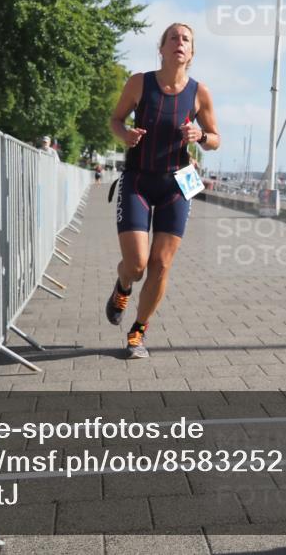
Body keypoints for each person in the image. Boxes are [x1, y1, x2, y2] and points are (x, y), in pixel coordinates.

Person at [106, 23, 220, 358]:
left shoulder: (200, 93)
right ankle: (122, 286)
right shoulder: (140, 82)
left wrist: (202, 137)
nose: (179, 42)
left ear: (191, 52)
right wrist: (124, 135)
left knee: (161, 264)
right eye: (173, 37)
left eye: (186, 39)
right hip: (138, 180)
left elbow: (215, 138)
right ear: (162, 47)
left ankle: (138, 332)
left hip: (178, 183)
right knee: (138, 264)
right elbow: (115, 120)